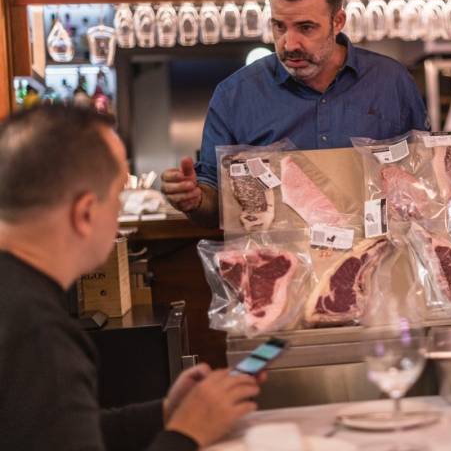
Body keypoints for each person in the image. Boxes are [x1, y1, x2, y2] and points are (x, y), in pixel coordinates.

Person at [161, 0, 451, 227]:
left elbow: (430, 183)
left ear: (337, 21)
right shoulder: (234, 95)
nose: (289, 44)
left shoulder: (391, 81)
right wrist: (193, 200)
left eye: (306, 27)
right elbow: (212, 202)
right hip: (274, 282)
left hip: (382, 272)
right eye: (279, 27)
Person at [0, 106, 261, 450]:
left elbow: (55, 432)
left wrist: (167, 414)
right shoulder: (36, 332)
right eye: (118, 198)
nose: (121, 215)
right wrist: (186, 433)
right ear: (85, 213)